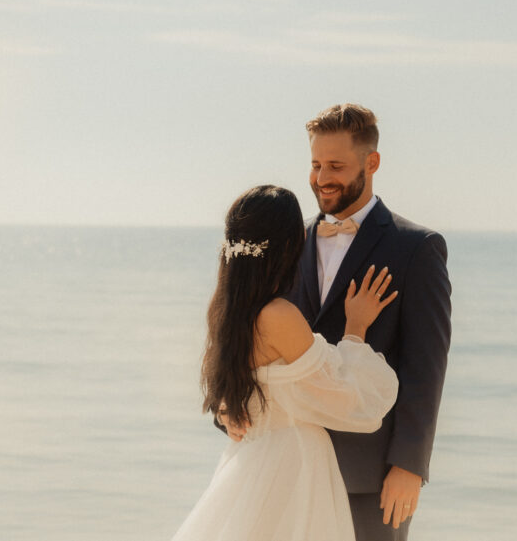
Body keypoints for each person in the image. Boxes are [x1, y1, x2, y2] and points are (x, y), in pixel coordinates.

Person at [224, 104, 452, 540]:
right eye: (314, 164)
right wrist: (227, 407)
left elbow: (427, 367)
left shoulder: (416, 248)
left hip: (369, 477)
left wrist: (409, 464)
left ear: (372, 163)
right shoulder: (288, 242)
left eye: (335, 165)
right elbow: (243, 331)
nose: (321, 177)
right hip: (283, 467)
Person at [171, 185, 401, 541]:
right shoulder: (279, 316)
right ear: (289, 245)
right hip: (293, 466)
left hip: (251, 461)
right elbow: (342, 398)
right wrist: (355, 329)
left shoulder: (225, 313)